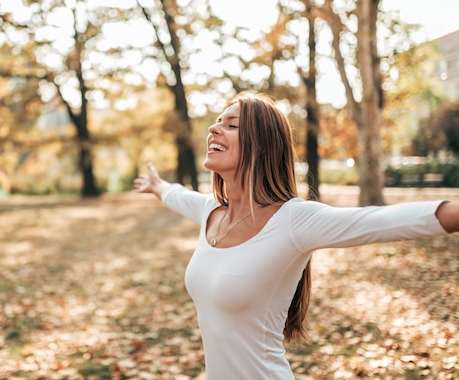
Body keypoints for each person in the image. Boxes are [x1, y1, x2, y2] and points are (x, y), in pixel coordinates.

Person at [132, 91, 459, 380]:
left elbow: (381, 220)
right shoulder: (211, 212)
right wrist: (157, 186)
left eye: (232, 125)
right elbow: (176, 195)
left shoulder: (293, 220)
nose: (213, 129)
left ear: (262, 145)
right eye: (217, 122)